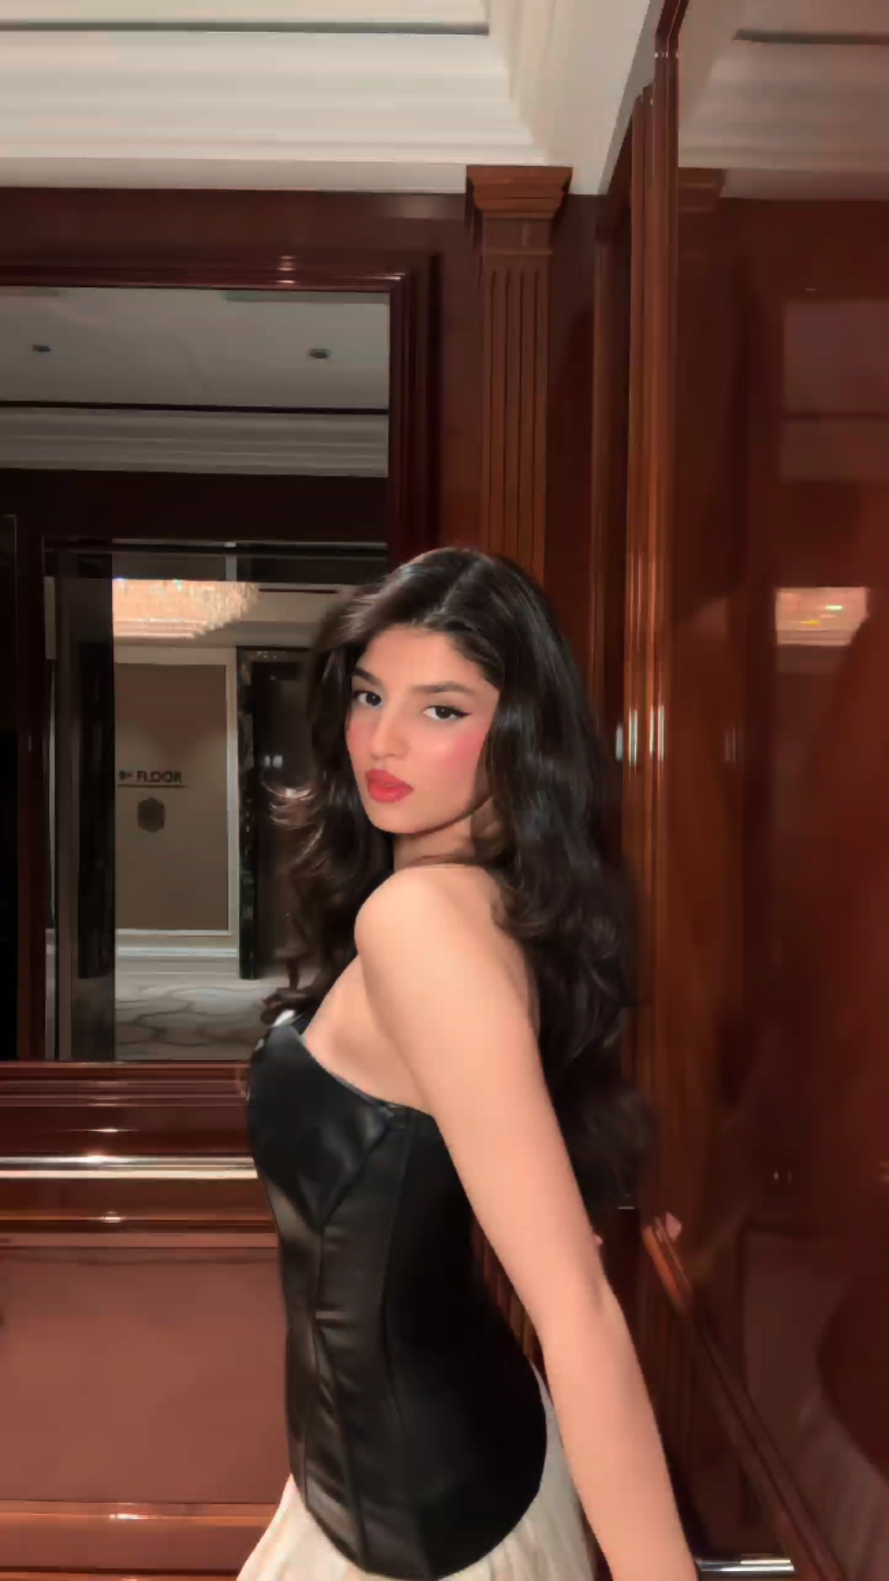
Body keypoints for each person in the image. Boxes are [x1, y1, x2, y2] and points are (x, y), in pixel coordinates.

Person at [242, 548, 696, 1581]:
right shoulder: (479, 897)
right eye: (370, 695)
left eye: (442, 709)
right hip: (389, 1474)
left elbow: (576, 1310)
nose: (383, 739)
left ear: (523, 735)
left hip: (422, 1529)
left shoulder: (423, 922)